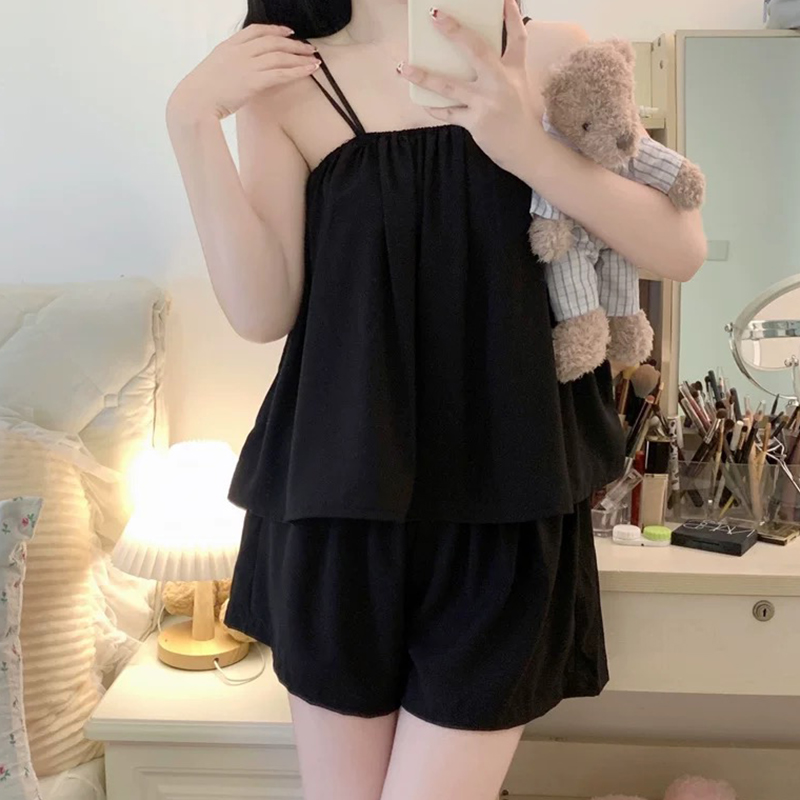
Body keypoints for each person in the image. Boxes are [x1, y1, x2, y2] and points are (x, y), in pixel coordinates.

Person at [166, 1, 706, 798]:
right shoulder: (285, 79)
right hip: (337, 506)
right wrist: (190, 119)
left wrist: (524, 145)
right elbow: (261, 310)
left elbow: (680, 248)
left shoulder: (546, 52)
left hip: (506, 502)